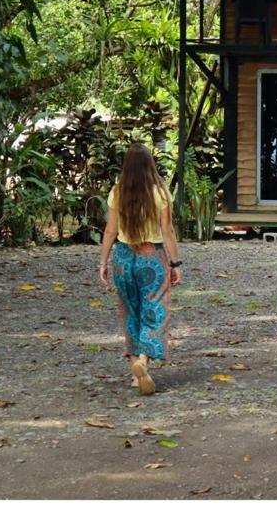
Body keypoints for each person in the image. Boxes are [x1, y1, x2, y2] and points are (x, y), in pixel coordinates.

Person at [99, 144, 181, 395]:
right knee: (155, 309)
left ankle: (135, 372)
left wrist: (102, 262)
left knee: (131, 310)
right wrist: (175, 263)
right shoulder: (160, 193)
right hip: (151, 257)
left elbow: (111, 231)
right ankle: (143, 360)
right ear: (150, 166)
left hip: (123, 257)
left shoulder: (117, 192)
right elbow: (167, 231)